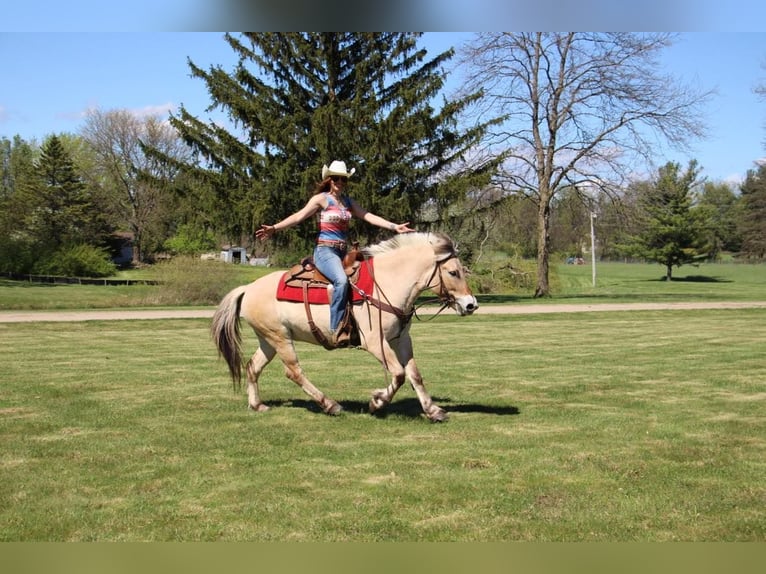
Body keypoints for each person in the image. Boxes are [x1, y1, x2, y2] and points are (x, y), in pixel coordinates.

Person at [255, 160, 415, 346]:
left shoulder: (348, 202)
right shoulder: (321, 199)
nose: (340, 182)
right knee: (341, 280)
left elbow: (368, 216)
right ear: (329, 180)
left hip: (342, 252)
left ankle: (360, 324)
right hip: (325, 251)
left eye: (343, 179)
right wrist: (275, 227)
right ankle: (336, 327)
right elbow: (298, 216)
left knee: (366, 277)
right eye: (336, 179)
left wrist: (394, 226)